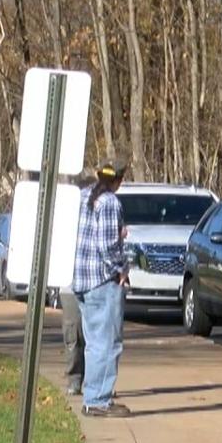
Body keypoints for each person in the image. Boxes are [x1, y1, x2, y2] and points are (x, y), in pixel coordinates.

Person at [73, 160, 131, 418]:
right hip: (102, 281)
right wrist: (122, 269)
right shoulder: (109, 203)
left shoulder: (83, 197)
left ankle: (93, 396)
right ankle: (97, 400)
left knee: (93, 343)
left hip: (81, 279)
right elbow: (107, 247)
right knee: (107, 343)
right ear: (118, 180)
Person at [60, 284, 85, 396]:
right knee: (73, 333)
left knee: (99, 335)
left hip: (99, 285)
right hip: (69, 287)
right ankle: (74, 380)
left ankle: (101, 385)